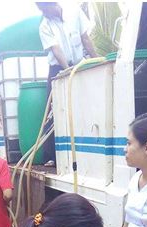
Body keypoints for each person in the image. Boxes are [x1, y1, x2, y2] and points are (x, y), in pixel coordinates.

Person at [36, 2, 97, 166]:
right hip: (58, 69)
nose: (45, 13)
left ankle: (84, 150)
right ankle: (52, 156)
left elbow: (85, 38)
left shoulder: (74, 11)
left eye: (45, 9)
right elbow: (56, 50)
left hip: (79, 65)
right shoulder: (45, 25)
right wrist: (67, 70)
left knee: (82, 107)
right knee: (53, 112)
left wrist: (97, 60)